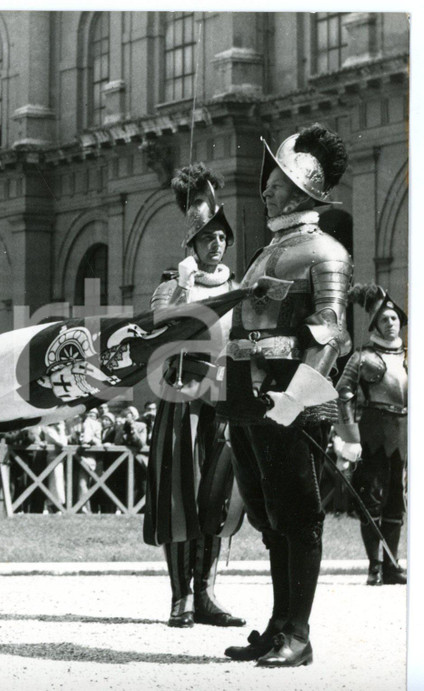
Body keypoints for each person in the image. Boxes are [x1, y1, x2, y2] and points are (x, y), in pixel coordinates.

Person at [218, 123, 351, 667]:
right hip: (247, 401)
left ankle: (299, 632)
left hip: (290, 400)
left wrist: (292, 401)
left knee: (299, 518)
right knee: (268, 517)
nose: (266, 190)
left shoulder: (326, 251)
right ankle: (276, 626)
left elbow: (331, 331)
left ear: (299, 191)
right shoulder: (269, 247)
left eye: (275, 183)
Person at [142, 163, 245, 630]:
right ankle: (179, 596)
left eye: (221, 236)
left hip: (220, 404)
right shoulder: (171, 284)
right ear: (192, 245)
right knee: (179, 497)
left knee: (215, 498)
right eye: (206, 238)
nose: (216, 243)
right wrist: (183, 284)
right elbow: (161, 329)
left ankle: (205, 593)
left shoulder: (237, 289)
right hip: (181, 401)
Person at [335, 285, 407, 585]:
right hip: (372, 433)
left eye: (394, 319)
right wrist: (350, 437)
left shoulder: (410, 356)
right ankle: (375, 566)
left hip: (404, 435)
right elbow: (343, 394)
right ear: (375, 325)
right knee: (372, 498)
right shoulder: (363, 357)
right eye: (384, 320)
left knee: (396, 502)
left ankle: (392, 565)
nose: (391, 324)